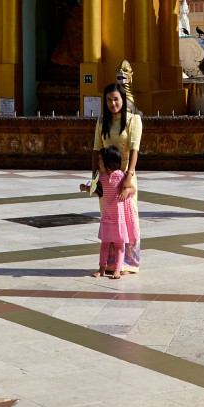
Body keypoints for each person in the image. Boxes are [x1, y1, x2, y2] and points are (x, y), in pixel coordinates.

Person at [84, 80, 143, 273]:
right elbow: (96, 150)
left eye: (116, 99)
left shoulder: (133, 120)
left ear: (122, 100)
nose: (113, 104)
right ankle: (110, 263)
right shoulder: (102, 121)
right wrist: (94, 179)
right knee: (109, 217)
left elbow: (134, 148)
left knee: (128, 217)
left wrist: (129, 176)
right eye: (109, 100)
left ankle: (128, 263)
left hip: (126, 176)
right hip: (106, 179)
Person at [91, 144, 139, 279]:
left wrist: (125, 191)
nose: (98, 162)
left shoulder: (120, 176)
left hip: (119, 218)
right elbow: (98, 190)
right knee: (104, 244)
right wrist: (85, 188)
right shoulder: (103, 177)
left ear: (109, 162)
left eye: (101, 160)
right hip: (107, 216)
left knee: (119, 245)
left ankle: (117, 269)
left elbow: (133, 189)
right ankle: (101, 268)